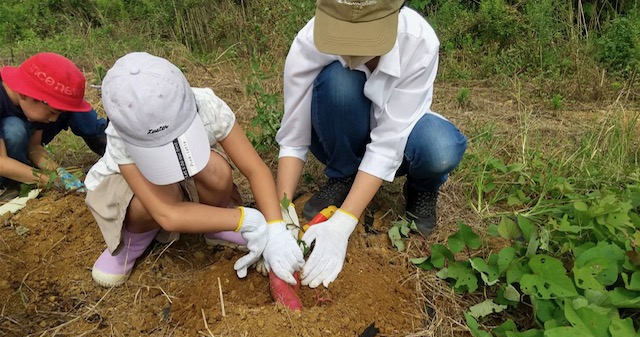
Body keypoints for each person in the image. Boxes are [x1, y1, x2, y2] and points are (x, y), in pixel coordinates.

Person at [276, 0, 468, 288]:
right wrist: (280, 214)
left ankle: (421, 189)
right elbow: (293, 136)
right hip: (336, 130)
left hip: (400, 139)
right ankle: (344, 175)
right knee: (339, 80)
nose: (353, 47)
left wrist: (343, 224)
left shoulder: (419, 42)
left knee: (439, 148)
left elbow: (388, 144)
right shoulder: (309, 40)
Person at [86, 52, 304, 288]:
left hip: (183, 181)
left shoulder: (207, 106)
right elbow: (166, 213)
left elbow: (254, 169)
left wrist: (275, 228)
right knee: (149, 204)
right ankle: (134, 239)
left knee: (216, 171)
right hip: (139, 190)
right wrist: (245, 219)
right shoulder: (122, 136)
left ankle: (215, 225)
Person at [0, 52, 104, 191]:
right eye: (52, 112)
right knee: (14, 130)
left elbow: (34, 147)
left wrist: (60, 173)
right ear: (26, 94)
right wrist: (48, 180)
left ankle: (22, 174)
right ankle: (8, 185)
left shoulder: (34, 100)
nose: (54, 119)